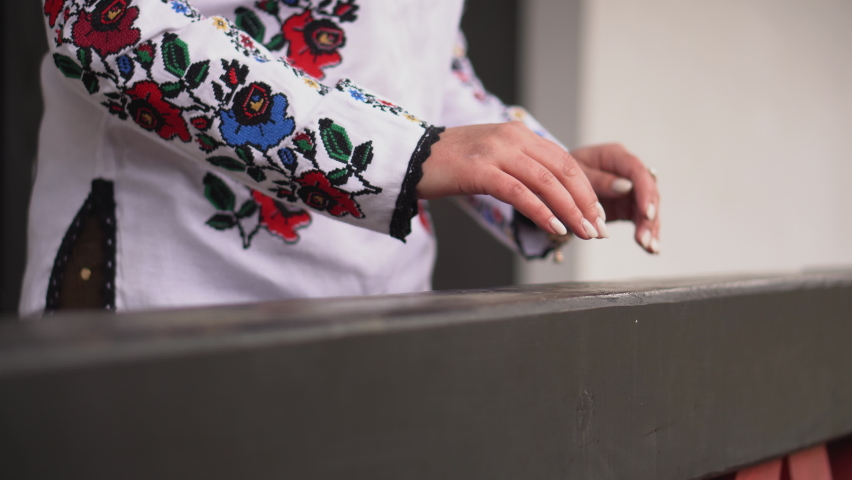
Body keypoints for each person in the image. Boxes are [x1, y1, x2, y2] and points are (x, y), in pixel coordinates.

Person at [20, 0, 660, 315]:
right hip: (174, 299)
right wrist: (402, 155)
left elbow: (415, 57)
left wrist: (537, 174)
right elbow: (100, 26)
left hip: (382, 316)